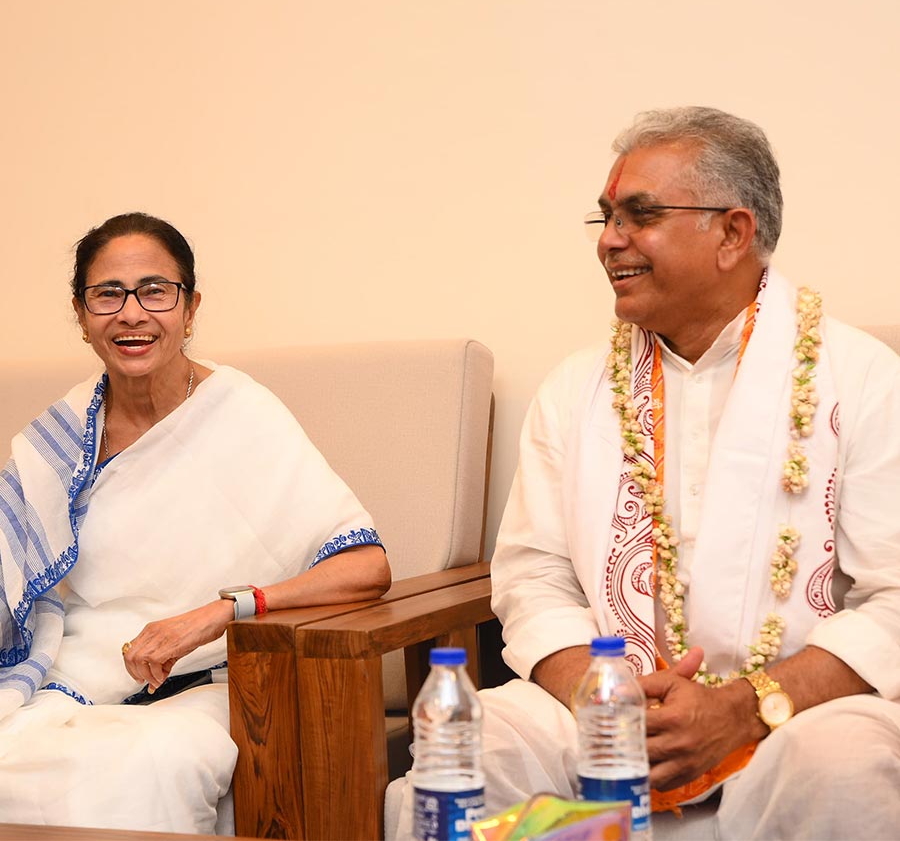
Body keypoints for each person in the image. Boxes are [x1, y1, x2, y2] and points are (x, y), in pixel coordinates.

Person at [388, 107, 900, 841]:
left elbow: (894, 599)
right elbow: (533, 578)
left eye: (640, 215)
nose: (610, 242)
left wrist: (745, 708)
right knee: (463, 753)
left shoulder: (864, 380)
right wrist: (599, 696)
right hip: (599, 718)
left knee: (846, 766)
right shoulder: (575, 390)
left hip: (798, 718)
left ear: (732, 232)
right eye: (605, 218)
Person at [0, 212, 392, 833]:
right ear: (82, 316)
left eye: (155, 290)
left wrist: (216, 613)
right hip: (72, 673)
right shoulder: (63, 432)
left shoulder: (240, 413)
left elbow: (367, 569)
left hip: (212, 676)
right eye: (107, 294)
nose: (131, 313)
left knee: (146, 765)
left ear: (190, 307)